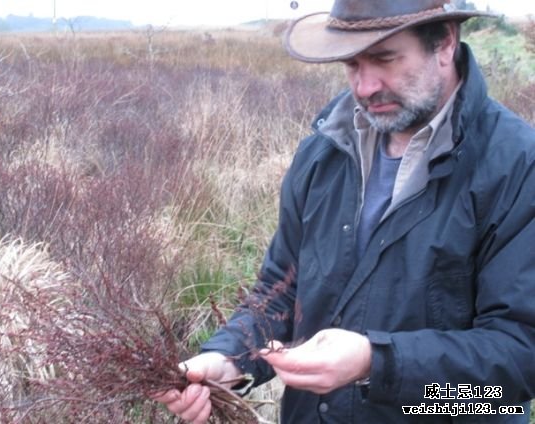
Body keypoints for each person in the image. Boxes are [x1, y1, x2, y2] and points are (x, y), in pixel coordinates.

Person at [152, 0, 535, 422]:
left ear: (444, 42)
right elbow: (280, 292)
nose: (365, 86)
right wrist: (229, 360)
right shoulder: (323, 154)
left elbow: (518, 365)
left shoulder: (517, 165)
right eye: (351, 64)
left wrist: (377, 364)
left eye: (384, 58)